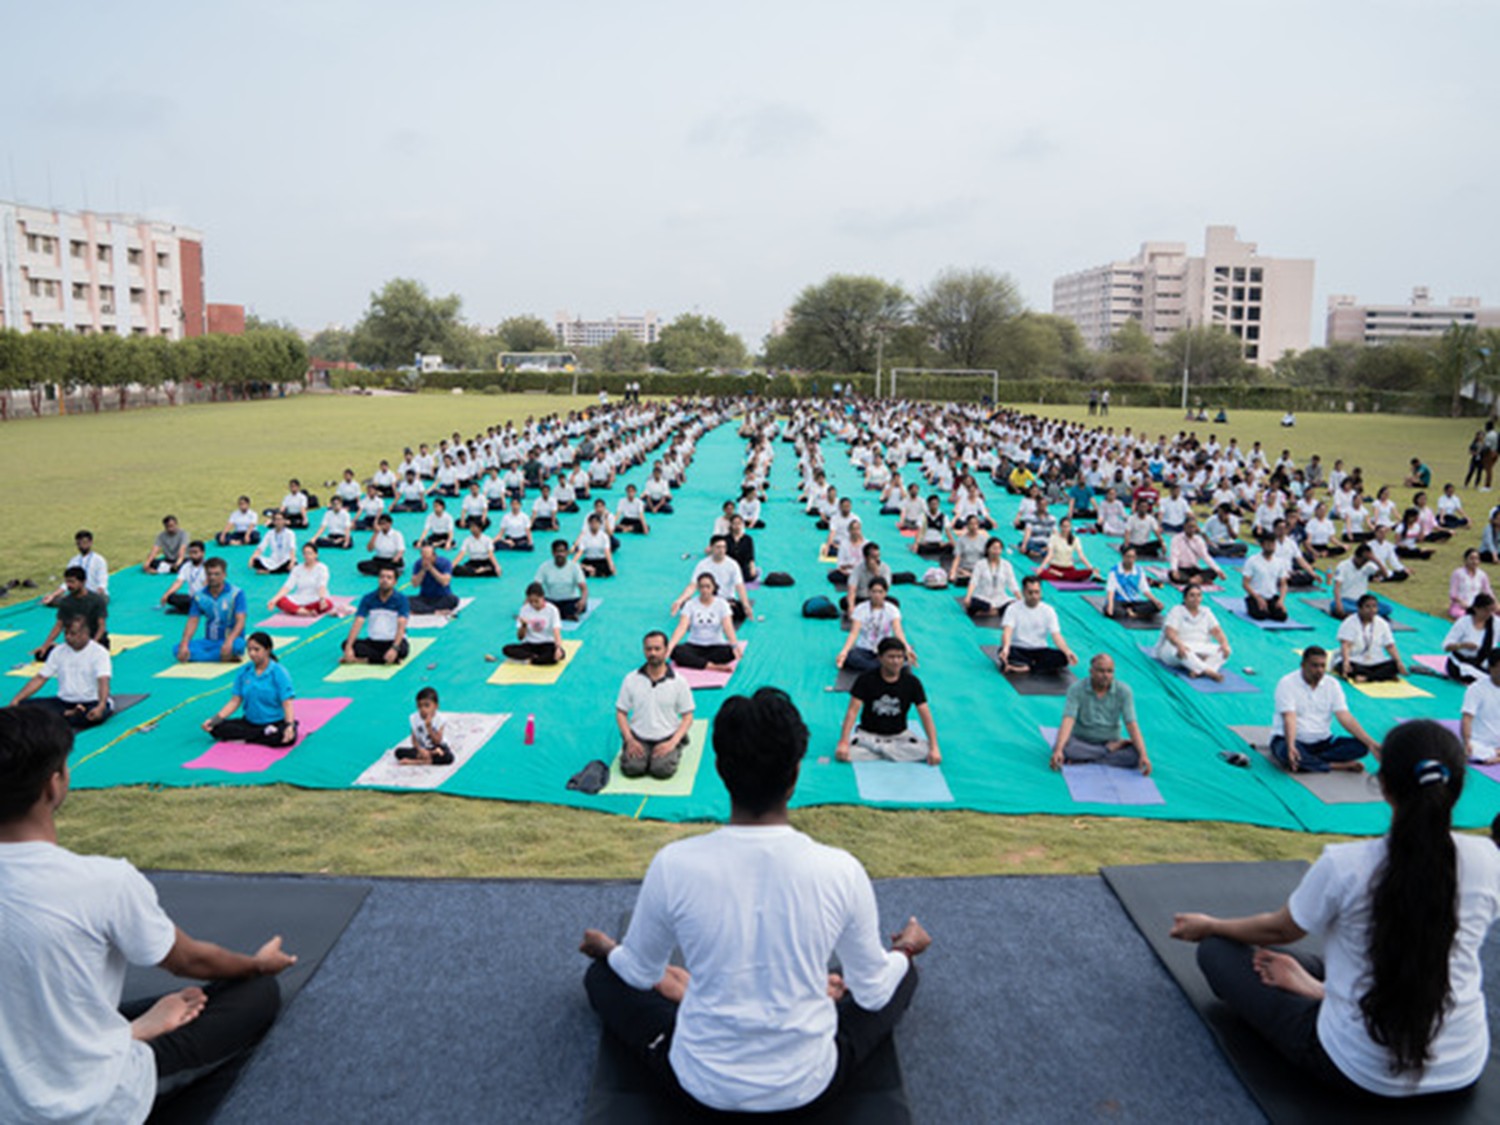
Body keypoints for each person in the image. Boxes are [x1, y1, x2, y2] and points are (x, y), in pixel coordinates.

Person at [579, 687, 929, 1115]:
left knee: (602, 976)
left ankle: (696, 992)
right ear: (795, 774)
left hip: (701, 1084)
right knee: (902, 975)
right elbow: (873, 994)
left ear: (721, 770)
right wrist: (905, 949)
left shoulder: (675, 864)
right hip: (808, 1085)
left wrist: (610, 950)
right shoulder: (841, 869)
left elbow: (638, 973)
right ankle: (859, 975)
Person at [1170, 720, 1500, 1100]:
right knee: (1354, 957)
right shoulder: (1487, 860)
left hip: (1355, 1069)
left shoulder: (1347, 865)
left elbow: (1280, 931)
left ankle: (1320, 988)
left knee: (1217, 950)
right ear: (1456, 790)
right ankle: (1324, 985)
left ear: (1384, 787)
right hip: (1462, 1065)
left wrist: (1211, 924)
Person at [0, 706, 295, 1125]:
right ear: (54, 785)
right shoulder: (103, 882)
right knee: (255, 994)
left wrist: (141, 1025)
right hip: (92, 1103)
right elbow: (188, 961)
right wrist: (257, 965)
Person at [1268, 647, 1380, 772]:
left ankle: (1310, 761)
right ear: (1303, 665)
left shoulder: (1332, 684)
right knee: (1286, 753)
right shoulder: (1287, 683)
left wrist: (1371, 743)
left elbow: (1344, 716)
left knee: (1361, 747)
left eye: (1323, 666)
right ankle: (1335, 765)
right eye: (1314, 666)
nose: (1320, 670)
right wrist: (1291, 746)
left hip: (1323, 742)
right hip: (1291, 739)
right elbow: (1289, 718)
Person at [835, 638, 941, 764]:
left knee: (925, 750)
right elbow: (852, 712)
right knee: (845, 753)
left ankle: (880, 751)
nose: (896, 661)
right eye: (891, 657)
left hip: (899, 737)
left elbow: (925, 714)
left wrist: (934, 747)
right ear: (880, 658)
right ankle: (890, 752)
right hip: (869, 735)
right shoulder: (865, 680)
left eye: (900, 657)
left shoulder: (912, 683)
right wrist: (843, 742)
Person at [1049, 654, 1152, 773]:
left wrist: (1144, 755)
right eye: (1101, 671)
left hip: (1110, 739)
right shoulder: (1076, 689)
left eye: (1110, 671)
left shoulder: (1123, 691)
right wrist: (1059, 750)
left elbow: (1131, 724)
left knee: (1135, 755)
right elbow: (1068, 719)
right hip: (1082, 740)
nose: (1106, 676)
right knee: (1063, 747)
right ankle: (1104, 752)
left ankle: (1085, 759)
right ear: (1091, 671)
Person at [616, 631, 696, 780]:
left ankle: (677, 747)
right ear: (644, 650)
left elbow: (688, 716)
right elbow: (621, 712)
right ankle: (636, 752)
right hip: (639, 737)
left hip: (667, 736)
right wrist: (630, 740)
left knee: (661, 770)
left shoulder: (679, 682)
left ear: (666, 650)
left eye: (657, 649)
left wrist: (672, 742)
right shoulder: (631, 679)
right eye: (649, 649)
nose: (652, 653)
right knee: (632, 769)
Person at [10, 616, 113, 728]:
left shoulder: (99, 653)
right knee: (22, 707)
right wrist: (17, 699)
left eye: (73, 634)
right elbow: (40, 678)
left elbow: (103, 681)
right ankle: (68, 714)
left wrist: (101, 705)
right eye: (66, 633)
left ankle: (68, 715)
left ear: (85, 633)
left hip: (92, 701)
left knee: (92, 716)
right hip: (63, 703)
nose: (68, 637)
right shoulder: (58, 651)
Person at [201, 632, 297, 745]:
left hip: (275, 722)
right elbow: (235, 701)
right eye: (249, 649)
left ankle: (252, 736)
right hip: (250, 722)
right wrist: (214, 720)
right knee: (216, 728)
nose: (252, 654)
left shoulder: (279, 672)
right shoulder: (243, 671)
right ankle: (261, 734)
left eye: (257, 650)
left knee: (284, 738)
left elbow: (287, 703)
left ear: (268, 650)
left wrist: (289, 725)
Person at [999, 576, 1078, 675]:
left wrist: (1067, 651)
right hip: (1019, 648)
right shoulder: (1012, 608)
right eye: (1030, 592)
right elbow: (1007, 631)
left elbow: (1056, 636)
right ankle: (1032, 666)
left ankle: (1025, 667)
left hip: (1040, 650)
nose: (1034, 596)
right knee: (1002, 651)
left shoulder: (1048, 610)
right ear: (1023, 592)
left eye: (1037, 592)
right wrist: (1006, 648)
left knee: (1062, 657)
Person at [1152, 584, 1231, 681]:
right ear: (1185, 598)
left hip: (1198, 648)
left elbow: (1217, 631)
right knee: (1181, 651)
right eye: (1192, 595)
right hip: (1175, 649)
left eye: (1199, 595)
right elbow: (1170, 633)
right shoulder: (1177, 610)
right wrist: (1179, 645)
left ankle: (1198, 670)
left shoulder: (1206, 611)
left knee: (1225, 651)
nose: (1196, 598)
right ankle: (1208, 671)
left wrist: (1224, 644)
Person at [835, 578, 914, 674]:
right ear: (869, 592)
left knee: (900, 656)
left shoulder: (892, 609)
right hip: (864, 649)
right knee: (851, 657)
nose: (877, 595)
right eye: (874, 591)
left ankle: (883, 666)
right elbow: (854, 633)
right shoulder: (860, 609)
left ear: (885, 593)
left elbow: (898, 631)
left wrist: (907, 648)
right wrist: (844, 652)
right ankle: (885, 667)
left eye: (880, 592)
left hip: (885, 649)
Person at [175, 558, 247, 663]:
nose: (212, 577)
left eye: (216, 574)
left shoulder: (236, 594)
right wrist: (185, 643)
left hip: (231, 639)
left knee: (238, 646)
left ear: (224, 575)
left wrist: (229, 641)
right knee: (177, 649)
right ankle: (221, 657)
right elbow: (192, 621)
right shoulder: (199, 596)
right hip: (209, 641)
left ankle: (206, 656)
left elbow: (241, 621)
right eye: (209, 574)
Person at [32, 566, 109, 661]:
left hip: (95, 641)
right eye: (67, 582)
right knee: (41, 656)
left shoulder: (96, 600)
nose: (69, 585)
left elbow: (101, 627)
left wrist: (92, 646)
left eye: (72, 582)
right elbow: (59, 626)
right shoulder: (66, 602)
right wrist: (45, 645)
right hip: (75, 640)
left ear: (83, 582)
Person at [667, 573, 740, 671]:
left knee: (730, 653)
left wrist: (734, 645)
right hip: (694, 645)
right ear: (698, 588)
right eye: (701, 587)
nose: (705, 590)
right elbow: (682, 627)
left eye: (708, 586)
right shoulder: (690, 604)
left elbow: (728, 627)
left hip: (716, 646)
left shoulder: (722, 604)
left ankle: (697, 662)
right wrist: (670, 646)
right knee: (676, 652)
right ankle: (711, 666)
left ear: (713, 587)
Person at [670, 536, 751, 624]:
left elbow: (740, 586)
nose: (721, 550)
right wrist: (679, 600)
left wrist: (746, 605)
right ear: (711, 548)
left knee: (738, 612)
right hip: (706, 599)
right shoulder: (703, 564)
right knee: (685, 604)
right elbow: (693, 586)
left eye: (724, 547)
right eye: (718, 547)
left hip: (726, 601)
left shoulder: (733, 565)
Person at [340, 564, 411, 665]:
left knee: (403, 650)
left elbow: (402, 625)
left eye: (389, 577)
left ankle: (364, 660)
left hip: (392, 641)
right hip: (373, 641)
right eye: (382, 577)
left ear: (395, 582)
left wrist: (394, 648)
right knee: (345, 644)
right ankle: (385, 660)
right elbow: (358, 622)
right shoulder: (368, 598)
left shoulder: (401, 600)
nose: (385, 580)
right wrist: (348, 647)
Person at [1335, 595, 1405, 683]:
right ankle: (1380, 676)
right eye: (1367, 607)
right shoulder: (1349, 622)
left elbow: (1390, 645)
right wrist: (1346, 662)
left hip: (1375, 660)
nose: (1372, 610)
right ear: (1359, 608)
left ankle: (1368, 678)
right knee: (1343, 667)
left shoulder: (1382, 623)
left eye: (1374, 606)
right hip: (1354, 659)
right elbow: (1346, 645)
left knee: (1394, 665)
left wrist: (1399, 662)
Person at [502, 582, 567, 665]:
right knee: (506, 649)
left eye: (536, 601)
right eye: (530, 601)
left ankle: (531, 659)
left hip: (547, 644)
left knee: (558, 654)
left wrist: (558, 648)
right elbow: (520, 637)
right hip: (530, 644)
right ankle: (535, 658)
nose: (533, 604)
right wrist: (523, 626)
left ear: (543, 597)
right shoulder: (524, 609)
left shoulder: (552, 610)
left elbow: (556, 632)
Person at [268, 543, 334, 617]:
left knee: (328, 604)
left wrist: (322, 599)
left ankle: (297, 610)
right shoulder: (297, 569)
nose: (307, 556)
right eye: (305, 553)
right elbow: (287, 586)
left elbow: (322, 586)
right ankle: (305, 612)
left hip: (316, 598)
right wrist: (274, 599)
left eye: (309, 553)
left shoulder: (322, 568)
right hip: (300, 598)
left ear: (316, 555)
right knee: (280, 600)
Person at [963, 536, 1020, 618]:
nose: (996, 551)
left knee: (1015, 605)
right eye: (994, 548)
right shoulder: (980, 564)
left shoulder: (1006, 565)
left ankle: (993, 611)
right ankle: (997, 611)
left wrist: (1020, 599)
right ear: (987, 549)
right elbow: (973, 581)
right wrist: (968, 596)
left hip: (1001, 599)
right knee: (972, 605)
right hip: (983, 597)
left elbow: (1012, 583)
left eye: (999, 549)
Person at [1443, 594, 1496, 682]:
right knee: (1488, 679)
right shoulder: (1464, 622)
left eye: (1491, 611)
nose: (1489, 614)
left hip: (1483, 662)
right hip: (1460, 664)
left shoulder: (1495, 623)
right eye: (1486, 610)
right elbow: (1446, 646)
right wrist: (1462, 645)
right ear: (1476, 609)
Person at [1329, 544, 1391, 620]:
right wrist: (1339, 604)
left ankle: (1360, 614)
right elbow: (1337, 587)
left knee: (1388, 608)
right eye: (1364, 560)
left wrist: (1376, 560)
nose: (1364, 563)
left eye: (1367, 560)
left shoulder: (1368, 566)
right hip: (1346, 601)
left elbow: (1385, 575)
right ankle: (1365, 613)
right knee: (1334, 605)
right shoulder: (1343, 565)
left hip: (1362, 603)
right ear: (1357, 556)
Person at [396, 686, 453, 765]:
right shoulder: (414, 718)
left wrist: (429, 727)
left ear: (436, 706)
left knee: (448, 757)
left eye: (427, 706)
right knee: (398, 752)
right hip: (423, 748)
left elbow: (438, 741)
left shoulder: (440, 719)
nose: (423, 709)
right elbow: (414, 740)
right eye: (419, 706)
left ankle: (419, 761)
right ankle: (429, 757)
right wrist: (420, 750)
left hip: (437, 747)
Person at [1104, 546, 1163, 621]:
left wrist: (1155, 601)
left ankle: (1131, 611)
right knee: (1109, 610)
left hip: (1134, 602)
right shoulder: (1114, 571)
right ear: (1123, 557)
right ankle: (1135, 613)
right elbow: (1110, 591)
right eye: (1128, 557)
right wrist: (1110, 605)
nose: (1130, 560)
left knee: (1156, 606)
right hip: (1119, 602)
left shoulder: (1139, 570)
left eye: (1133, 557)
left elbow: (1145, 589)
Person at [1460, 655, 1500, 764]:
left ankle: (1496, 755)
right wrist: (1467, 742)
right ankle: (1495, 753)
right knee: (1471, 752)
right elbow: (1467, 718)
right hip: (1480, 742)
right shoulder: (1476, 689)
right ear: (1491, 668)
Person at [535, 538, 588, 619]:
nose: (560, 554)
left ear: (567, 553)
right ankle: (565, 615)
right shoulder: (544, 567)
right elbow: (536, 587)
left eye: (562, 551)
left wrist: (583, 600)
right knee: (542, 606)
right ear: (553, 553)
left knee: (578, 606)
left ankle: (561, 614)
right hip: (551, 600)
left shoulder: (575, 567)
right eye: (557, 551)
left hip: (570, 600)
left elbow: (583, 588)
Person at [1243, 535, 1290, 622]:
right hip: (1255, 596)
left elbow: (1284, 584)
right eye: (1268, 544)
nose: (1271, 547)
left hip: (1271, 597)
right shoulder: (1252, 560)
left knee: (1282, 616)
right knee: (1261, 615)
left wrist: (1281, 601)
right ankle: (1260, 608)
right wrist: (1257, 598)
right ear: (1262, 545)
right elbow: (1245, 583)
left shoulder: (1279, 562)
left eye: (1273, 544)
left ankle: (1269, 609)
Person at [1036, 516, 1097, 583]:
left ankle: (1061, 575)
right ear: (1060, 527)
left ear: (1070, 527)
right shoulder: (1053, 538)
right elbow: (1049, 555)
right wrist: (1041, 568)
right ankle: (1064, 576)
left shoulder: (1075, 539)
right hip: (1054, 567)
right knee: (1042, 574)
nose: (1065, 529)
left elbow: (1081, 556)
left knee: (1087, 572)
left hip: (1068, 568)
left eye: (1067, 526)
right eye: (1064, 526)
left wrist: (1091, 568)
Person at [408, 543, 459, 616]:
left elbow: (445, 582)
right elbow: (415, 584)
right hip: (425, 598)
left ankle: (423, 610)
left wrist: (431, 569)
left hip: (442, 597)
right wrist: (423, 570)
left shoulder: (445, 563)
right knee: (404, 600)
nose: (425, 560)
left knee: (453, 600)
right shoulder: (418, 564)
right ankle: (434, 611)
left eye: (428, 558)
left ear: (434, 556)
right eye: (423, 558)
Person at [160, 540, 208, 613]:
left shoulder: (209, 566)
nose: (192, 555)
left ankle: (184, 609)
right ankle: (190, 609)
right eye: (191, 553)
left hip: (206, 599)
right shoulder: (186, 566)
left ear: (202, 553)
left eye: (195, 552)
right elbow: (178, 582)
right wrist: (166, 595)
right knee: (171, 597)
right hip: (192, 598)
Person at [1448, 549, 1494, 620]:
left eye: (1477, 559)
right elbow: (1453, 594)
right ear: (1465, 560)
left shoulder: (1482, 575)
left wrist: (1494, 603)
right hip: (1460, 605)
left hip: (1477, 605)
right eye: (1471, 558)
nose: (1474, 561)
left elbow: (1488, 591)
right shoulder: (1458, 573)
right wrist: (1461, 602)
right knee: (1465, 616)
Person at [573, 512, 615, 578]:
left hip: (601, 560)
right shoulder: (584, 537)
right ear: (589, 524)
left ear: (600, 524)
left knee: (609, 571)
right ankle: (592, 571)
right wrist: (573, 563)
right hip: (588, 560)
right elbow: (579, 552)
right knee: (577, 569)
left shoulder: (604, 536)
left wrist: (611, 564)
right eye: (592, 523)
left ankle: (592, 572)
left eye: (596, 522)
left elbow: (607, 552)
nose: (594, 525)